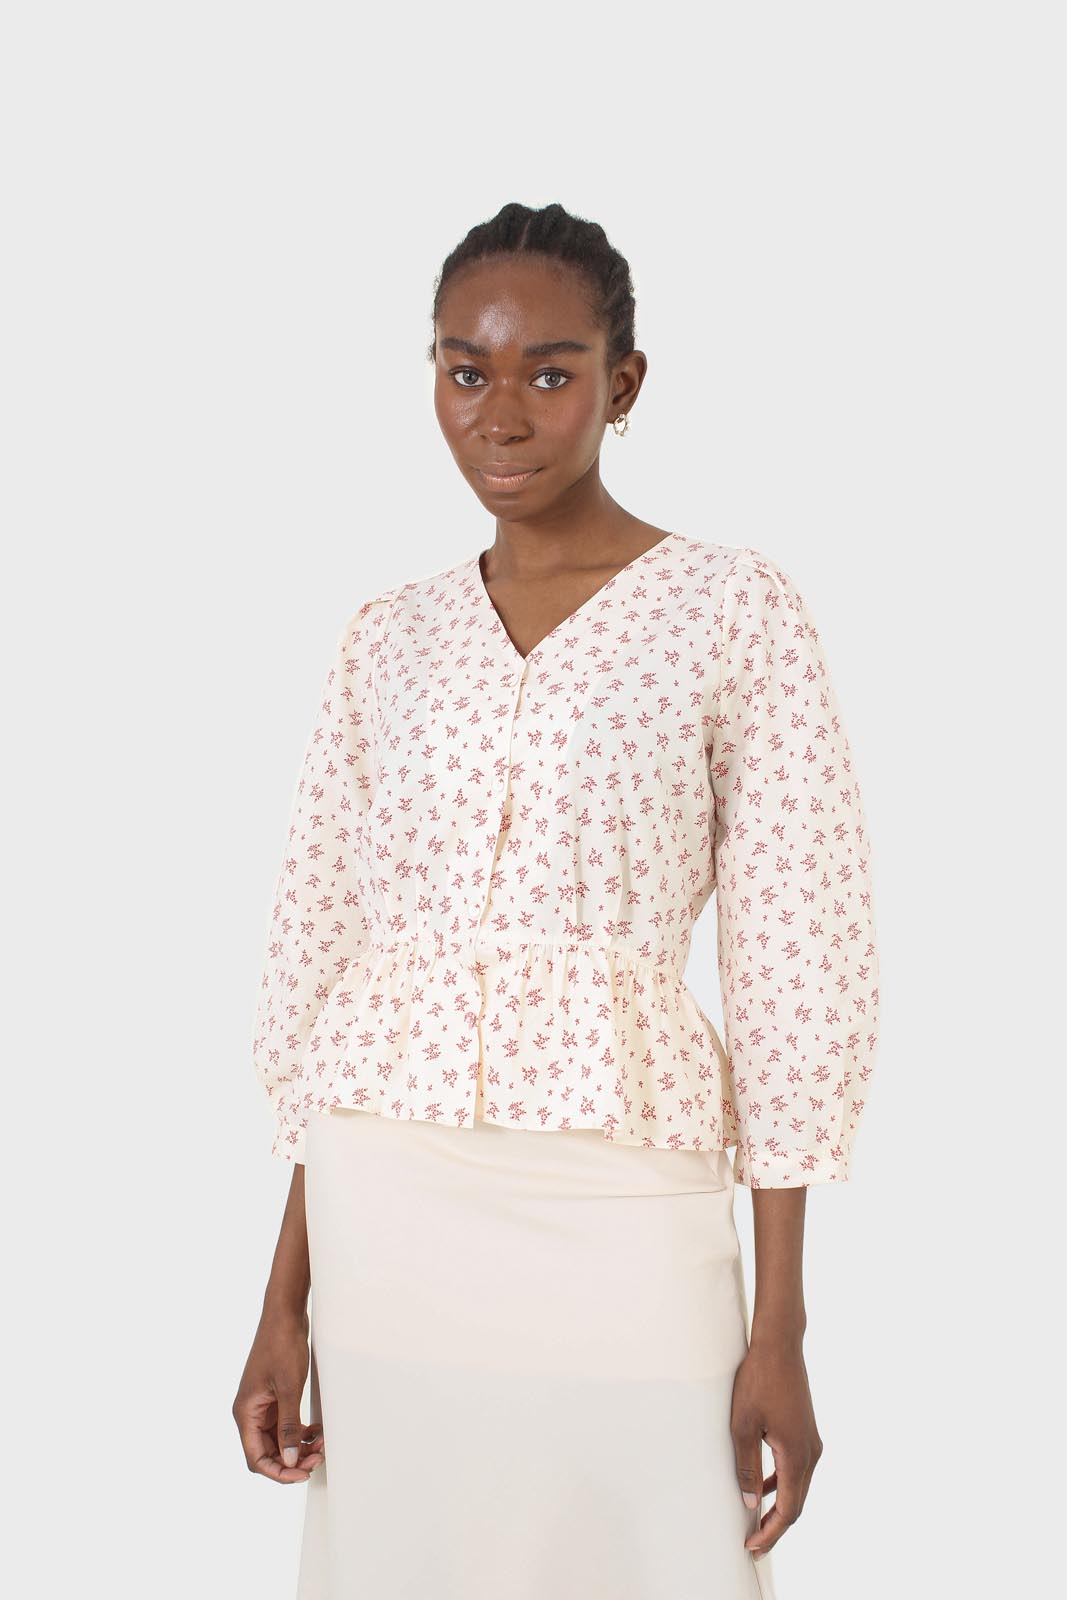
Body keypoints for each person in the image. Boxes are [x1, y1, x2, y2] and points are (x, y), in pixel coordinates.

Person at [232, 201, 880, 1600]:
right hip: (384, 1195)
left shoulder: (732, 611)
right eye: (466, 371)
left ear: (621, 383)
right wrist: (283, 1301)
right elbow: (325, 952)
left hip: (624, 1179)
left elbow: (795, 961)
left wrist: (780, 1328)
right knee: (406, 1557)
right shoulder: (387, 638)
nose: (503, 413)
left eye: (549, 371)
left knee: (663, 1549)